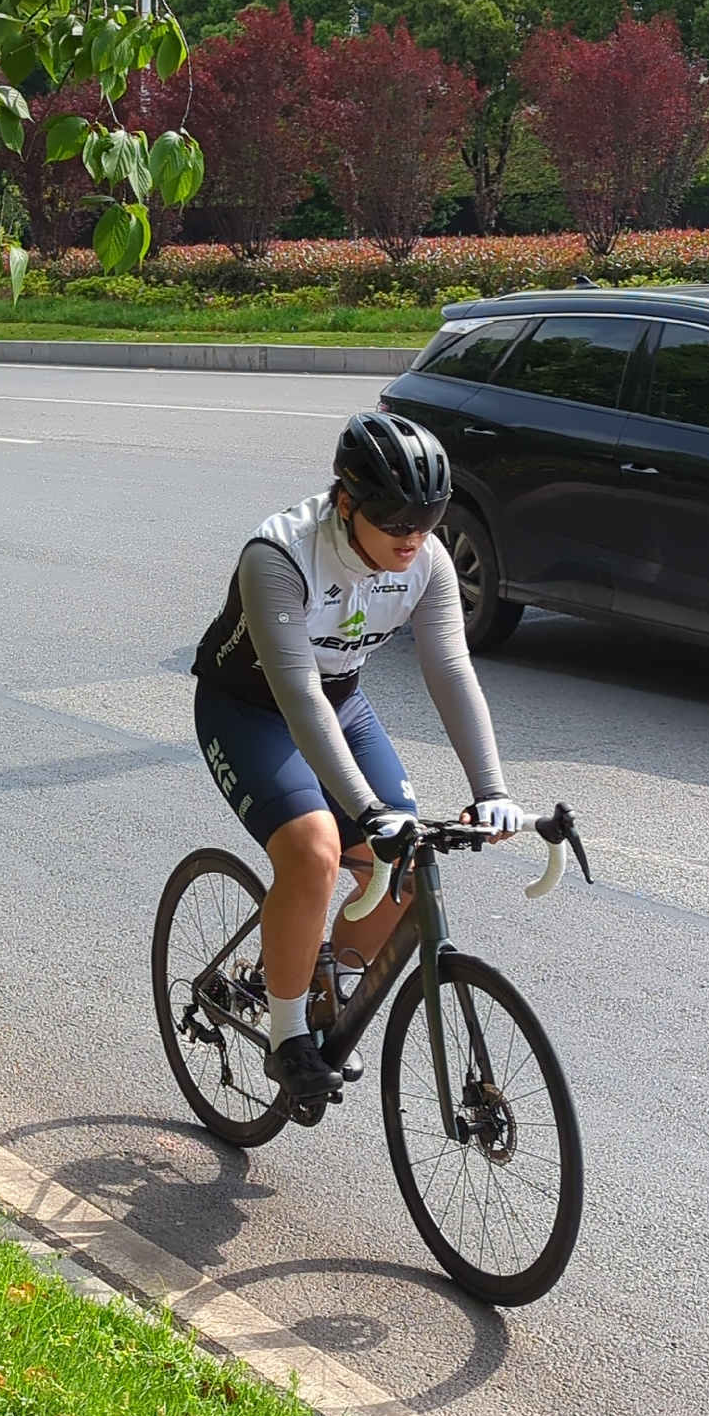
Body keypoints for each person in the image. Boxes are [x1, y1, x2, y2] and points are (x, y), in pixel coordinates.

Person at [192, 410, 524, 1102]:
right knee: (314, 850)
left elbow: (451, 669)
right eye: (395, 521)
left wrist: (490, 788)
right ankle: (287, 1037)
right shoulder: (278, 555)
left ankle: (327, 983)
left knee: (407, 860)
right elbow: (297, 695)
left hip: (339, 701)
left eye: (428, 521)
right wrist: (367, 810)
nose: (413, 538)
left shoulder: (425, 560)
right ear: (346, 504)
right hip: (250, 708)